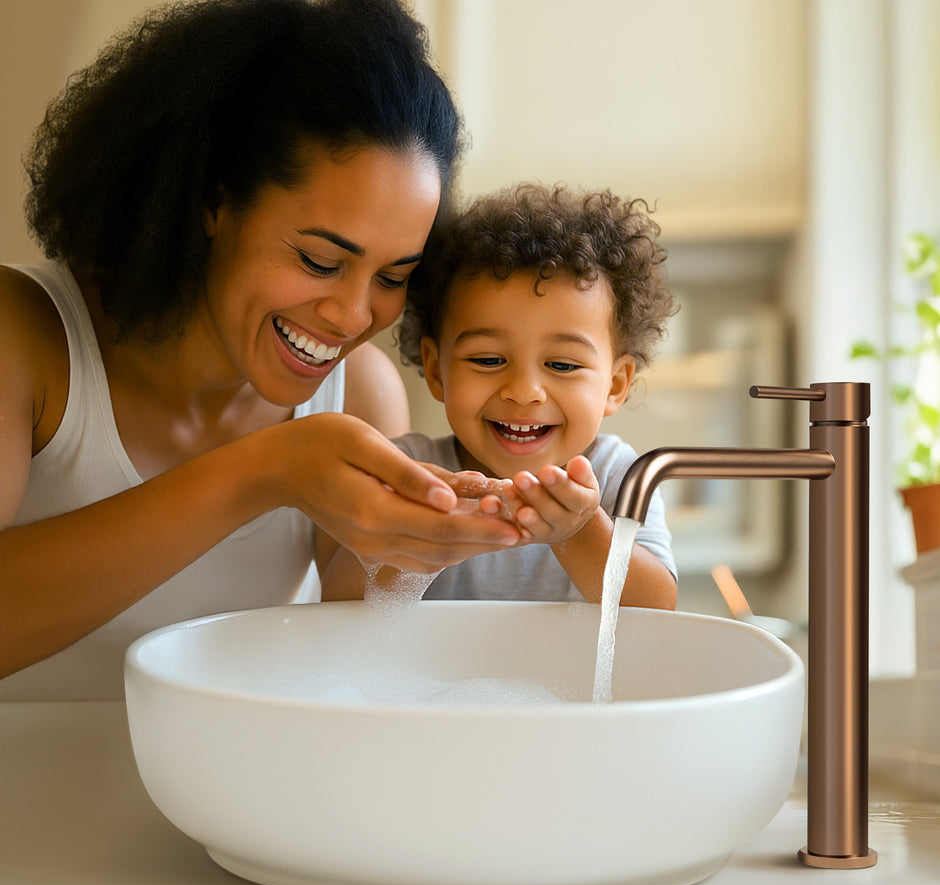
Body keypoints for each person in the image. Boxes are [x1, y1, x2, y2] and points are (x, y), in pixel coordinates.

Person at [0, 0, 527, 699]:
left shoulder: (361, 394)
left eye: (394, 277)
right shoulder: (25, 337)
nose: (351, 315)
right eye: (318, 260)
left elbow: (360, 666)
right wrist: (264, 472)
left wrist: (445, 537)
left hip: (228, 807)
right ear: (213, 200)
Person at [321, 183, 679, 608]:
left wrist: (580, 530)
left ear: (615, 385)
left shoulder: (621, 476)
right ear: (437, 371)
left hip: (566, 677)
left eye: (562, 365)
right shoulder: (407, 471)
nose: (523, 392)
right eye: (488, 360)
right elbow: (340, 606)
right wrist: (416, 536)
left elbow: (656, 610)